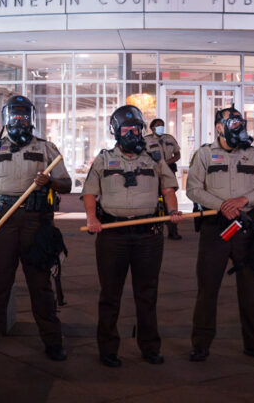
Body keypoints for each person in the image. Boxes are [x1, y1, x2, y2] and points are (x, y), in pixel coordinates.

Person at [0, 95, 72, 364]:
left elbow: (67, 184)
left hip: (37, 224)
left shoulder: (47, 148)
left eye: (24, 115)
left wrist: (49, 181)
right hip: (0, 222)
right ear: (5, 118)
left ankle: (53, 342)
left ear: (32, 118)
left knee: (41, 286)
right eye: (14, 115)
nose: (19, 119)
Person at [82, 105, 183, 368]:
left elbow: (168, 188)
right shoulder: (103, 159)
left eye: (136, 128)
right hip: (112, 236)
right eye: (126, 128)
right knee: (110, 295)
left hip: (148, 237)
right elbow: (90, 192)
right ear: (116, 131)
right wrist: (92, 219)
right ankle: (107, 349)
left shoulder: (154, 158)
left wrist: (172, 210)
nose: (132, 133)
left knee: (147, 293)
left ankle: (150, 347)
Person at [185, 105, 254, 362]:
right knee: (208, 288)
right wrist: (221, 205)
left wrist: (244, 199)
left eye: (239, 121)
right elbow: (193, 189)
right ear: (218, 127)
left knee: (250, 289)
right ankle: (200, 344)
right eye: (231, 122)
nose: (237, 125)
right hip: (215, 229)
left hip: (246, 230)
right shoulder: (203, 154)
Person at [144, 118, 182, 240]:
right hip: (153, 173)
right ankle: (152, 229)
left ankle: (173, 230)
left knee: (170, 201)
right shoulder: (146, 141)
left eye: (162, 125)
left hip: (169, 171)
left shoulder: (169, 139)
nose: (161, 127)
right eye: (158, 125)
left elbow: (177, 154)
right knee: (153, 201)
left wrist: (168, 162)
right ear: (152, 128)